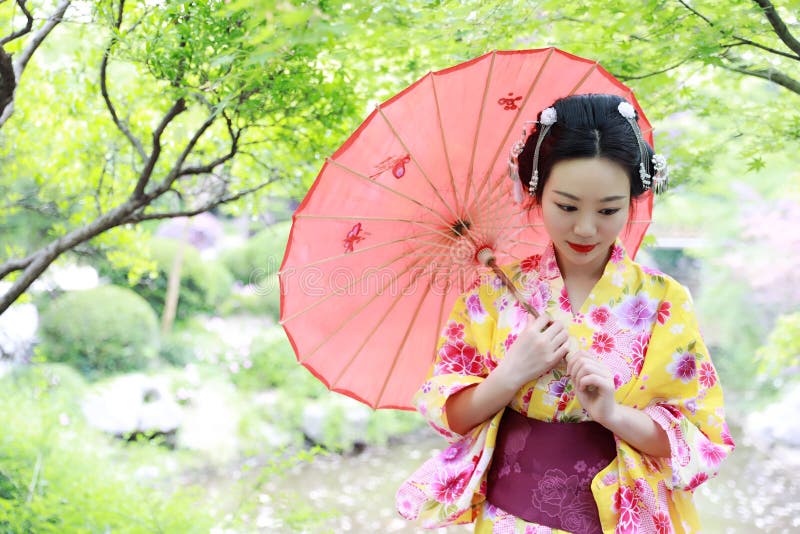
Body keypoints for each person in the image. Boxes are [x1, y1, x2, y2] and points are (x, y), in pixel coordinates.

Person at [395, 93, 734, 533]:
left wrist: (612, 413)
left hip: (622, 514)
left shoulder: (662, 301)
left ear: (634, 199)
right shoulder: (494, 293)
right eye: (567, 206)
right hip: (511, 518)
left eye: (609, 209)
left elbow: (695, 437)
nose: (586, 228)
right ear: (537, 192)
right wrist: (509, 375)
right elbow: (453, 415)